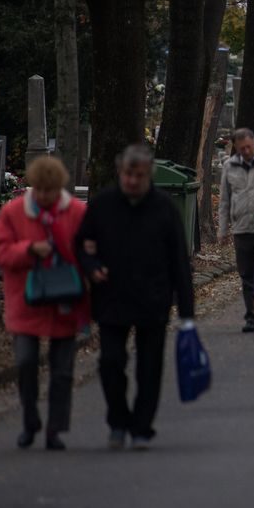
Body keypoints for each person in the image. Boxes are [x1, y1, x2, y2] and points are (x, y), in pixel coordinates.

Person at [76, 144, 194, 449]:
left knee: (149, 366)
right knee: (111, 362)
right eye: (128, 174)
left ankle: (142, 426)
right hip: (112, 296)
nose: (132, 181)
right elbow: (82, 243)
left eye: (139, 176)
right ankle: (118, 419)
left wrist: (186, 310)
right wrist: (91, 266)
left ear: (148, 175)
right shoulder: (102, 205)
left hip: (152, 298)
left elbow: (179, 260)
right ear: (120, 172)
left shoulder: (165, 207)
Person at [0, 155, 89, 451]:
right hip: (27, 299)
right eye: (40, 190)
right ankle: (30, 419)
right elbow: (1, 252)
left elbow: (88, 249)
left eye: (51, 190)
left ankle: (55, 429)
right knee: (25, 362)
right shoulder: (14, 212)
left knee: (62, 370)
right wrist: (30, 249)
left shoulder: (75, 212)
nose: (45, 196)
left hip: (65, 300)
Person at [219, 128, 254, 333]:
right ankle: (252, 317)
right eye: (242, 149)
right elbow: (224, 200)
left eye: (249, 146)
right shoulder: (230, 166)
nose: (246, 151)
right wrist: (223, 230)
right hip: (242, 229)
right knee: (247, 275)